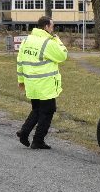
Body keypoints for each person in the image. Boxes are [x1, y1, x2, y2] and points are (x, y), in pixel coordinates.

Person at [16, 16, 68, 149]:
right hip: (45, 85)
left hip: (31, 83)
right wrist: (56, 39)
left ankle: (24, 132)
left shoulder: (26, 40)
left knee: (37, 109)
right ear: (46, 27)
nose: (53, 29)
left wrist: (21, 80)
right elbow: (63, 55)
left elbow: (20, 61)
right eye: (52, 26)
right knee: (48, 111)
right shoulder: (48, 42)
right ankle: (38, 140)